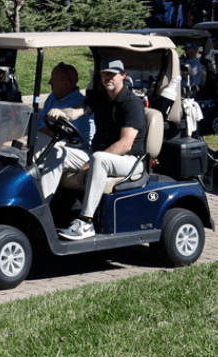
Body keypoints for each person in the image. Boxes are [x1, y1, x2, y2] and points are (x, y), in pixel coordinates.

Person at [45, 58, 148, 241]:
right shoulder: (100, 98)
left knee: (99, 159)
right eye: (104, 74)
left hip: (131, 161)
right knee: (58, 150)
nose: (107, 77)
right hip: (98, 155)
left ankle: (85, 223)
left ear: (123, 75)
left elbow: (126, 144)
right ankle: (42, 211)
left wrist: (89, 163)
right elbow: (76, 112)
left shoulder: (131, 104)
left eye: (112, 74)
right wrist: (63, 113)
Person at [29, 63, 99, 199]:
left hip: (75, 149)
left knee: (43, 151)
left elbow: (59, 133)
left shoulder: (80, 102)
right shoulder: (52, 98)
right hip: (51, 143)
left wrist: (26, 140)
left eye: (54, 79)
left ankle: (40, 207)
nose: (49, 82)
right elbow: (39, 125)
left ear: (68, 82)